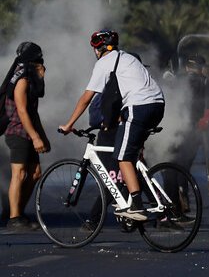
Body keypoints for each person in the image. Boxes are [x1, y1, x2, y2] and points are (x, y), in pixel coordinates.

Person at [59, 30, 165, 222]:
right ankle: (149, 206)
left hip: (139, 107)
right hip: (157, 106)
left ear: (99, 49)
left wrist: (69, 124)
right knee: (131, 157)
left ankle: (136, 206)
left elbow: (86, 98)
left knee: (122, 157)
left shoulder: (105, 62)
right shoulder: (127, 58)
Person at [4, 42, 50, 232]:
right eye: (39, 60)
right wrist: (35, 137)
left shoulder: (30, 78)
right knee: (20, 173)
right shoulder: (22, 78)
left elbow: (33, 112)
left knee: (35, 173)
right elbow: (22, 111)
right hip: (18, 132)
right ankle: (14, 217)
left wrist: (42, 136)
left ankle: (18, 213)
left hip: (28, 132)